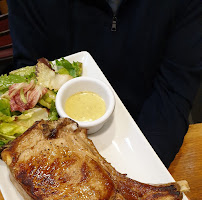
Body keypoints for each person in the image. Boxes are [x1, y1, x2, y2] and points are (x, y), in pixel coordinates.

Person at [6, 0, 201, 168]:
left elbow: (173, 93)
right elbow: (30, 76)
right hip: (58, 134)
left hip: (144, 127)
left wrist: (141, 170)